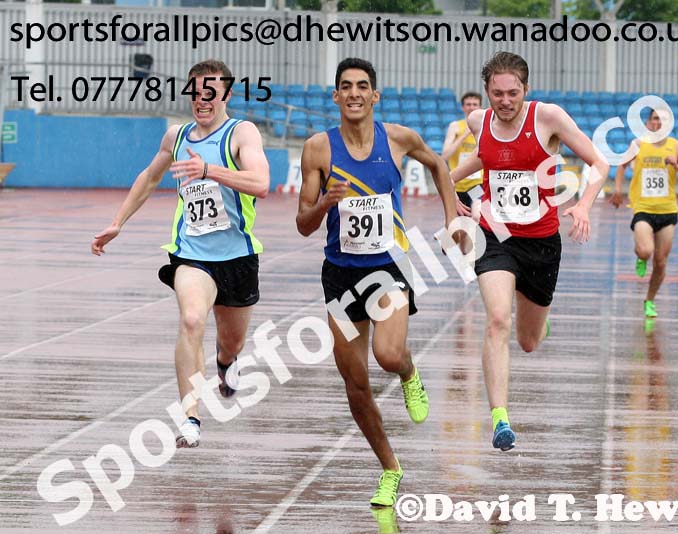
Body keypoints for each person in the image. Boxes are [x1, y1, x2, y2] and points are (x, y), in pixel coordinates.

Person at [296, 58, 458, 506]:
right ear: (335, 96)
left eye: (361, 86)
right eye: (345, 86)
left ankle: (409, 370)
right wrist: (324, 202)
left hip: (388, 268)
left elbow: (439, 165)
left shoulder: (399, 138)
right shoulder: (318, 150)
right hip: (340, 274)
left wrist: (451, 218)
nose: (353, 93)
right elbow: (302, 224)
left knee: (387, 355)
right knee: (355, 382)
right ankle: (390, 468)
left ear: (375, 95)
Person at [91, 59, 270, 448]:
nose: (202, 100)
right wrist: (117, 222)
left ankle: (226, 362)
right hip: (191, 253)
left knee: (232, 340)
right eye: (195, 92)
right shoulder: (177, 136)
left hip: (237, 257)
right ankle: (191, 417)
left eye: (211, 93)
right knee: (191, 320)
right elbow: (151, 175)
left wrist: (209, 170)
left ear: (226, 95)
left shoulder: (241, 133)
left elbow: (261, 183)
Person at [450, 51, 609, 451]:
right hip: (495, 237)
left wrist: (585, 204)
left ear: (526, 90)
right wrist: (447, 186)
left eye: (512, 93)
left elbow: (599, 163)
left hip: (541, 242)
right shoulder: (476, 121)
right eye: (496, 93)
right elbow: (484, 157)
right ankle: (500, 419)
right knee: (497, 320)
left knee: (528, 342)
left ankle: (539, 320)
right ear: (486, 92)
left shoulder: (548, 118)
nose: (504, 101)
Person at [609, 107, 678, 318]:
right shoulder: (639, 144)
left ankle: (649, 300)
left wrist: (677, 166)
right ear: (648, 123)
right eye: (655, 118)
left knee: (660, 261)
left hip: (667, 211)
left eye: (663, 119)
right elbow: (621, 165)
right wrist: (618, 190)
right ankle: (640, 256)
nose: (659, 123)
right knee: (646, 251)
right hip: (643, 209)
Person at [441, 91, 484, 257]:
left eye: (475, 104)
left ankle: (471, 257)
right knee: (459, 234)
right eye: (468, 104)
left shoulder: (485, 126)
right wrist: (464, 135)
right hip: (456, 185)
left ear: (480, 106)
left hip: (477, 183)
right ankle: (460, 250)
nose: (471, 107)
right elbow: (445, 155)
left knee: (476, 215)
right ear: (463, 107)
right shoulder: (455, 127)